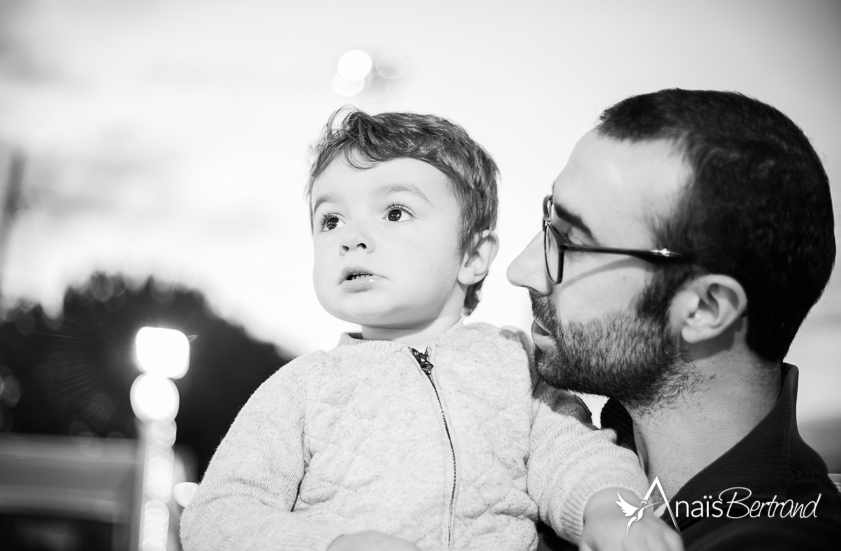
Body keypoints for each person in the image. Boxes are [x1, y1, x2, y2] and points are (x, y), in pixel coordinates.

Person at [180, 109, 682, 551]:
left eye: (395, 212)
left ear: (472, 256)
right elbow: (217, 516)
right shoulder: (301, 389)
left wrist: (611, 510)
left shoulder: (513, 365)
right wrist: (329, 544)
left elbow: (575, 454)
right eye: (330, 220)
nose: (351, 238)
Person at [507, 88, 841, 549]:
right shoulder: (535, 455)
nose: (521, 270)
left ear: (705, 311)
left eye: (571, 242)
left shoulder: (783, 536)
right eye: (549, 223)